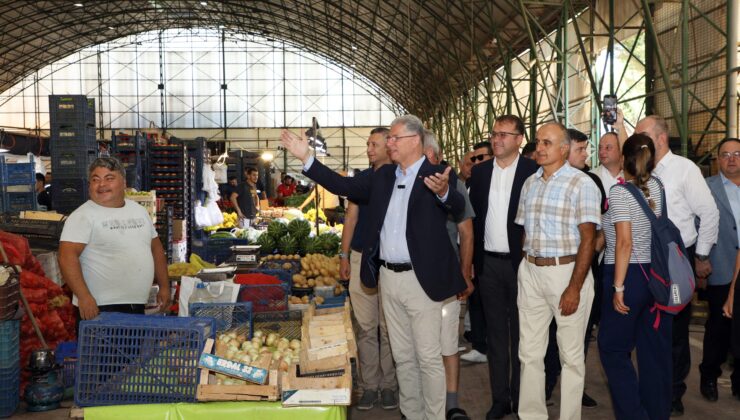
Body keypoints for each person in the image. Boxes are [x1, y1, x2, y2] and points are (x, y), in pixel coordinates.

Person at [281, 114, 467, 420]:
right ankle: (412, 413)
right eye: (389, 139)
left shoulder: (437, 174)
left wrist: (445, 192)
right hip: (388, 279)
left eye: (394, 138)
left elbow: (458, 207)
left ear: (415, 141)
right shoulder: (383, 176)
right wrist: (307, 158)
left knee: (428, 357)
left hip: (423, 281)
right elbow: (342, 185)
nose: (389, 144)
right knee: (403, 357)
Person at [515, 122, 601, 420]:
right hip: (531, 271)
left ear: (564, 149)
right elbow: (525, 232)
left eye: (547, 143)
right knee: (529, 353)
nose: (539, 147)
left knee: (571, 357)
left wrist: (574, 287)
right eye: (538, 142)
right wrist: (527, 267)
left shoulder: (582, 183)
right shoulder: (530, 183)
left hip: (566, 273)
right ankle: (531, 415)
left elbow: (589, 239)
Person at [634, 115, 719, 415]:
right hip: (643, 257)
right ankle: (652, 386)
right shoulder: (638, 169)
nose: (635, 140)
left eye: (641, 134)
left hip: (676, 256)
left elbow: (709, 213)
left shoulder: (685, 169)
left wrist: (702, 256)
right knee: (648, 326)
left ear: (661, 138)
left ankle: (672, 392)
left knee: (674, 328)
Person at [598, 134, 672, 420]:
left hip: (628, 276)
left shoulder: (620, 193)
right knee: (652, 351)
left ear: (624, 159)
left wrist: (618, 287)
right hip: (655, 276)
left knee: (612, 349)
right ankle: (656, 413)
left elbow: (624, 243)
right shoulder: (658, 187)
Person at [468, 114, 538, 418]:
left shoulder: (533, 172)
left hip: (521, 264)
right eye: (495, 134)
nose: (497, 139)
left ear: (519, 139)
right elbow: (472, 221)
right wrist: (471, 263)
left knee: (524, 336)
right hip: (489, 266)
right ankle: (500, 399)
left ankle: (523, 398)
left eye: (505, 135)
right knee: (496, 336)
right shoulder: (480, 173)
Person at [58, 157, 170, 329]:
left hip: (136, 305)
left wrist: (164, 286)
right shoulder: (82, 216)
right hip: (99, 308)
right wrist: (84, 297)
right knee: (101, 356)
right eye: (96, 179)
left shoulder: (138, 211)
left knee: (131, 355)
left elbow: (156, 249)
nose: (101, 185)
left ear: (124, 183)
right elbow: (66, 257)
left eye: (109, 178)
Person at [544, 128, 606, 408]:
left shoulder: (589, 182)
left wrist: (590, 250)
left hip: (578, 272)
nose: (587, 154)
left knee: (576, 338)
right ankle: (545, 385)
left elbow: (599, 227)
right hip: (545, 271)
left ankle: (573, 392)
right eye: (581, 149)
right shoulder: (538, 181)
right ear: (565, 150)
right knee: (543, 338)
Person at [338, 127, 398, 411]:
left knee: (388, 328)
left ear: (390, 145)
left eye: (375, 144)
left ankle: (389, 385)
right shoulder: (361, 180)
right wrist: (344, 255)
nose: (369, 149)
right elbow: (351, 219)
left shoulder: (400, 178)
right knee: (365, 326)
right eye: (368, 144)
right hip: (361, 257)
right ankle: (369, 385)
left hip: (388, 260)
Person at [424, 131, 475, 420]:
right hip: (416, 278)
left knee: (447, 343)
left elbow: (467, 233)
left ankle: (452, 402)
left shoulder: (454, 185)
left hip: (447, 276)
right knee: (424, 346)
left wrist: (465, 275)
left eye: (429, 156)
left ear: (438, 156)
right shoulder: (407, 182)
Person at [700, 137, 740, 402]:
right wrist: (700, 260)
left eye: (736, 153)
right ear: (718, 160)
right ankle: (709, 376)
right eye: (725, 155)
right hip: (722, 265)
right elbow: (697, 223)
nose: (731, 159)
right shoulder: (707, 188)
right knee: (719, 328)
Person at [461, 140, 495, 364]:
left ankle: (487, 346)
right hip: (471, 248)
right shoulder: (474, 182)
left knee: (488, 304)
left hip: (488, 251)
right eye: (474, 158)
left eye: (481, 157)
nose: (476, 162)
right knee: (476, 300)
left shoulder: (494, 182)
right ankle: (480, 344)